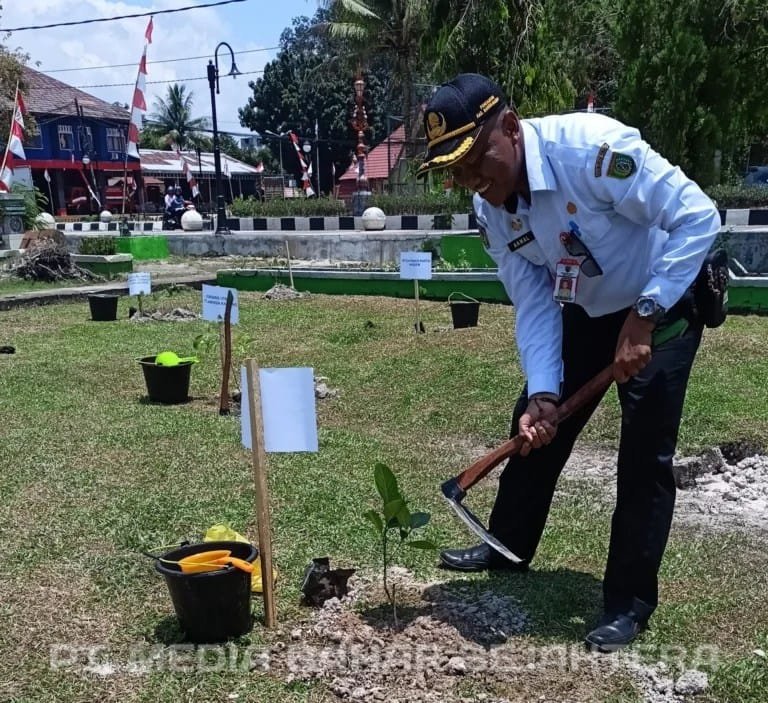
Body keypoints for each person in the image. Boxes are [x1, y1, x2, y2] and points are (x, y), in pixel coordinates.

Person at [417, 74, 720, 652]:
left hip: (666, 298)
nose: (471, 181)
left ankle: (627, 603)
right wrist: (543, 391)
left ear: (510, 127)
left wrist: (646, 315)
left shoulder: (594, 153)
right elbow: (533, 300)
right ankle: (507, 544)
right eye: (455, 171)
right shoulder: (492, 210)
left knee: (643, 456)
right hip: (588, 304)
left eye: (477, 159)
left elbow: (699, 217)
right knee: (535, 426)